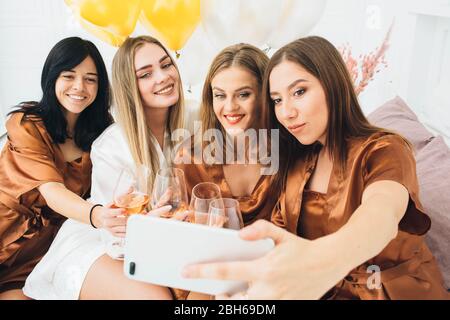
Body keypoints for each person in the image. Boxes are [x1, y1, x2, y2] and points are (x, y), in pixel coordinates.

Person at [182, 36, 448, 300]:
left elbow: (381, 216)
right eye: (277, 100)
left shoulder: (383, 149)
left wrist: (324, 260)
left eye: (299, 92)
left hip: (392, 291)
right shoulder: (296, 163)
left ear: (332, 86)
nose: (287, 112)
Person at [23, 35, 198, 300]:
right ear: (129, 85)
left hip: (167, 241)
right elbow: (114, 237)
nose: (162, 77)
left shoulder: (197, 118)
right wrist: (148, 227)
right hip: (101, 243)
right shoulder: (112, 145)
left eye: (166, 65)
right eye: (146, 74)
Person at [0, 37, 114, 299]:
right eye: (69, 76)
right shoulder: (27, 124)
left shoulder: (103, 134)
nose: (79, 87)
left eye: (90, 79)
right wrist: (99, 216)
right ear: (52, 78)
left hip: (39, 256)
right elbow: (52, 192)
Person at [176, 43, 278, 227]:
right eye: (220, 95)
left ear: (266, 95)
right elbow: (180, 231)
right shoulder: (191, 159)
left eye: (243, 94)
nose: (230, 107)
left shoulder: (289, 151)